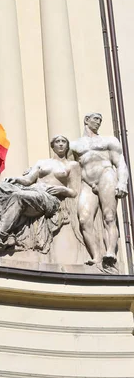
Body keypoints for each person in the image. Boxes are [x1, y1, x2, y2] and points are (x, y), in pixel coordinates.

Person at [0, 136, 78, 254]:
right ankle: (8, 231)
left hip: (50, 198)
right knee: (0, 187)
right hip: (33, 191)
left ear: (67, 145)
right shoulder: (42, 162)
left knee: (19, 196)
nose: (60, 144)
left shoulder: (72, 165)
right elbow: (28, 180)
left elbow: (74, 191)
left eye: (63, 142)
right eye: (57, 141)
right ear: (52, 145)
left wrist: (61, 189)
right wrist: (15, 179)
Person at [71, 113, 129, 268]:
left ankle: (110, 252)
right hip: (87, 182)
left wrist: (122, 183)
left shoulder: (108, 140)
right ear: (86, 120)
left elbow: (120, 163)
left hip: (106, 176)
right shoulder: (75, 145)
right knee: (84, 219)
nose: (98, 122)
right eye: (95, 119)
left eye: (100, 120)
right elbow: (64, 164)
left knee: (109, 217)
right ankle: (96, 255)